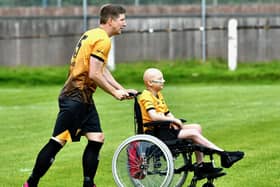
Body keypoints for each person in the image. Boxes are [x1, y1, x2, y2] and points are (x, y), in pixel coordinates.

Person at [23, 4, 137, 187]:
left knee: (97, 138)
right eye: (122, 20)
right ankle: (31, 183)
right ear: (110, 20)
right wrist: (115, 93)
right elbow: (94, 73)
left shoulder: (93, 34)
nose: (125, 24)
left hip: (83, 99)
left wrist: (121, 87)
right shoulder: (103, 40)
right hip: (75, 98)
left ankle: (88, 183)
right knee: (58, 142)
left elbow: (101, 69)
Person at [138, 68, 244, 178]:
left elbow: (168, 113)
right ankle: (223, 153)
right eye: (160, 79)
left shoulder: (159, 95)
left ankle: (200, 165)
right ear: (150, 83)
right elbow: (154, 116)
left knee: (197, 127)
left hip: (166, 128)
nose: (163, 81)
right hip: (157, 131)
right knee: (193, 133)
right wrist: (173, 121)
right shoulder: (146, 96)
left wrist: (176, 122)